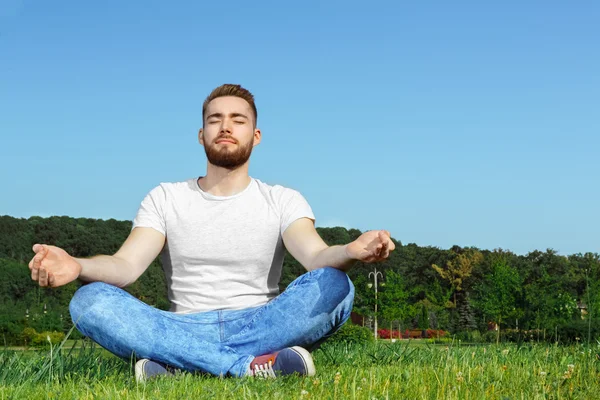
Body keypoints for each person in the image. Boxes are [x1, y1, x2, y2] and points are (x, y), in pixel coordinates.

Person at [28, 84, 395, 381]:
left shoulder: (282, 199)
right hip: (181, 326)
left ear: (256, 134)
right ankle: (248, 367)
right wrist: (75, 264)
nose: (225, 127)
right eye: (215, 119)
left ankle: (176, 366)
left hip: (261, 323)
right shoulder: (166, 197)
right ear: (201, 134)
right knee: (89, 302)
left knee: (336, 285)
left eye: (237, 119)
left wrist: (349, 250)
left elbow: (315, 257)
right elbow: (126, 266)